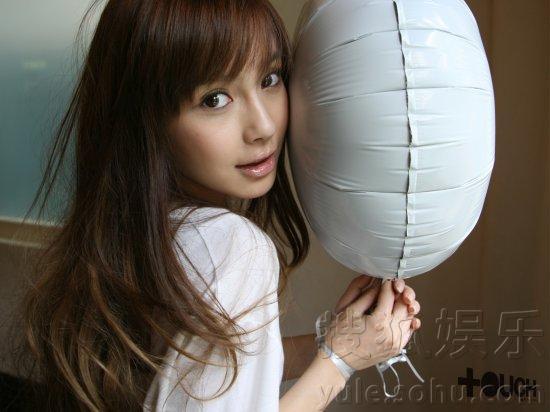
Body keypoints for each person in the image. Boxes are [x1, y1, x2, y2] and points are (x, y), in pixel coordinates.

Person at [14, 0, 422, 411]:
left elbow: (201, 375)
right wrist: (339, 362)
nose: (263, 126)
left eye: (270, 78)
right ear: (146, 120)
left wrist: (335, 340)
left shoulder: (144, 233)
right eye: (214, 99)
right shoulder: (230, 246)